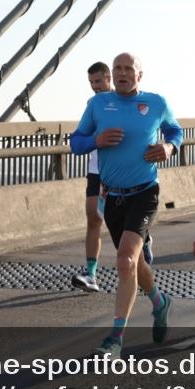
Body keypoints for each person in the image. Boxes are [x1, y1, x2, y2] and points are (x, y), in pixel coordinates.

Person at [69, 53, 182, 358]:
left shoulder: (156, 103)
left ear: (139, 75)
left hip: (144, 193)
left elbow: (176, 131)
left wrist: (170, 147)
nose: (121, 73)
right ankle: (160, 302)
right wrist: (96, 138)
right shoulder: (97, 105)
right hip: (112, 196)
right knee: (133, 263)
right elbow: (75, 142)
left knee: (125, 262)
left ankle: (115, 339)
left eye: (128, 69)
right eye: (117, 68)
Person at [72, 62, 112, 293]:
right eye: (91, 83)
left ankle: (144, 243)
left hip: (119, 171)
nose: (94, 87)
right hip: (96, 170)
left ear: (109, 78)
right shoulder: (92, 104)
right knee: (94, 218)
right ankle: (91, 274)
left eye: (98, 81)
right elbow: (82, 135)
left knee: (124, 222)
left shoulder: (124, 102)